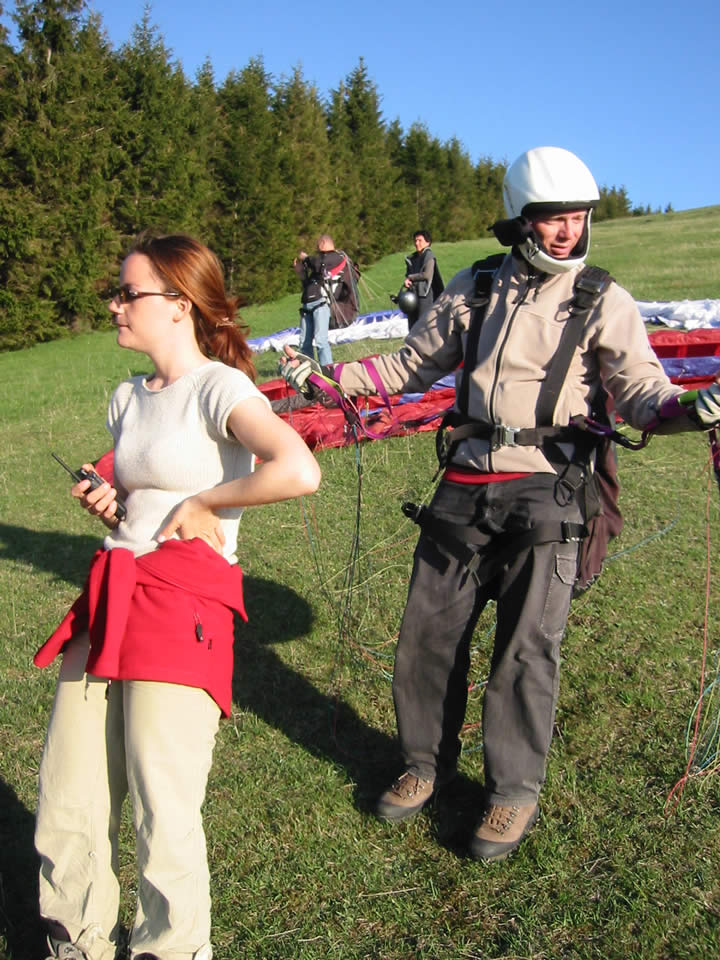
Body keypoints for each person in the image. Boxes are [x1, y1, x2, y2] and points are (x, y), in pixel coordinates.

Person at [280, 147, 720, 862]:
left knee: (526, 647)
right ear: (521, 220)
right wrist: (331, 380)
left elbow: (642, 391)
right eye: (553, 219)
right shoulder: (477, 285)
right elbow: (410, 363)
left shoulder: (602, 298)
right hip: (465, 481)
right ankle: (424, 766)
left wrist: (684, 409)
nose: (568, 232)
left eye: (578, 218)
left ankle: (512, 792)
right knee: (426, 632)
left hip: (551, 486)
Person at [34, 233, 321, 960]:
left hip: (183, 605)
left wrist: (206, 502)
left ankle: (169, 950)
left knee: (162, 808)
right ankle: (76, 943)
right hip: (111, 594)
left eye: (128, 294)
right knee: (70, 794)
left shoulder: (220, 388)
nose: (115, 306)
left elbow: (297, 468)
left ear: (178, 304)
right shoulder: (126, 398)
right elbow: (144, 501)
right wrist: (114, 503)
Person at [293, 234, 348, 365]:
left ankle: (327, 369)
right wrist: (301, 273)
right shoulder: (320, 265)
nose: (316, 250)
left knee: (320, 341)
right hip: (307, 306)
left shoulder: (336, 258)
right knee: (304, 343)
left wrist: (306, 258)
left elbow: (318, 264)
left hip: (321, 305)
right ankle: (310, 370)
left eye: (318, 246)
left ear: (323, 243)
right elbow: (309, 284)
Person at [401, 229, 444, 328]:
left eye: (420, 240)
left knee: (423, 324)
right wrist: (407, 281)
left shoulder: (429, 256)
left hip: (425, 296)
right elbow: (408, 275)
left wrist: (410, 277)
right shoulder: (412, 259)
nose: (416, 243)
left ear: (427, 242)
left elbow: (426, 275)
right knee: (412, 325)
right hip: (412, 294)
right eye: (415, 240)